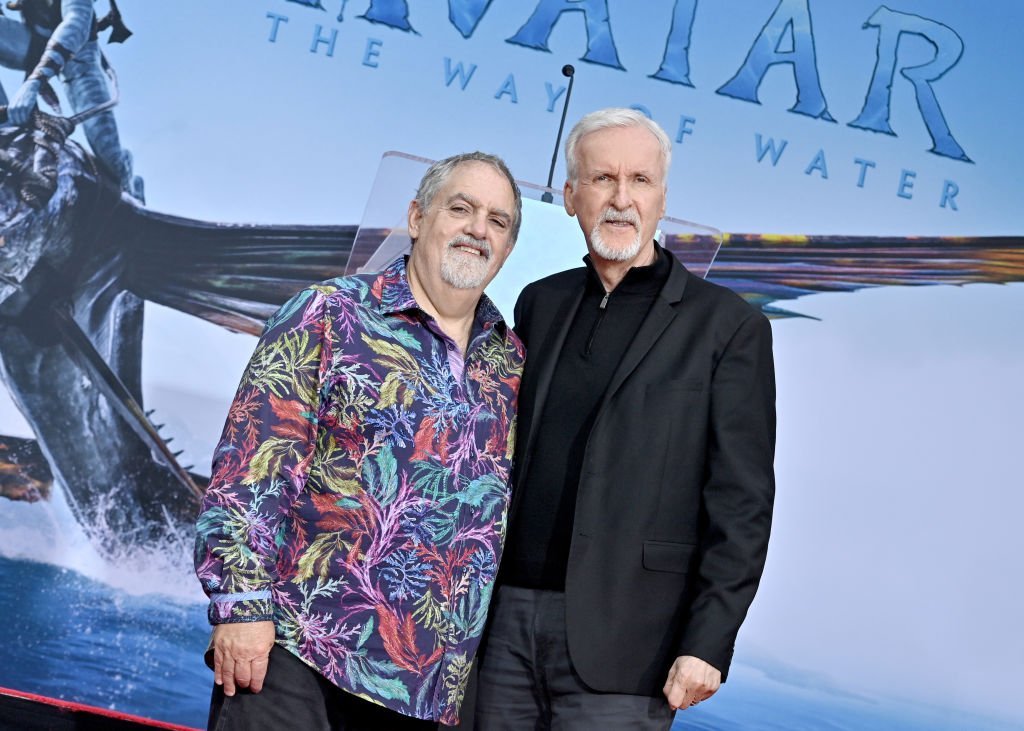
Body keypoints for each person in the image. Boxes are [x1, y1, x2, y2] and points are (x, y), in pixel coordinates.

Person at [194, 151, 525, 730]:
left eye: (497, 221)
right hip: (296, 652)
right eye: (461, 209)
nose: (478, 229)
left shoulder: (511, 363)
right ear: (417, 217)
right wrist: (240, 607)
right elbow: (251, 467)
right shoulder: (330, 313)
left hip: (423, 691)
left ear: (508, 246)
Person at [473, 108, 776, 730]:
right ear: (570, 197)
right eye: (603, 178)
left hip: (633, 644)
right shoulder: (540, 303)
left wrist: (708, 641)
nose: (621, 198)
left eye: (640, 180)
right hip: (502, 628)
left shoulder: (727, 327)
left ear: (662, 199)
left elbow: (741, 501)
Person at [0, 0, 142, 199]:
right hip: (33, 41)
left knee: (107, 152)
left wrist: (34, 83)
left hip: (79, 57)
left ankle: (128, 182)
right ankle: (5, 137)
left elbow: (75, 23)